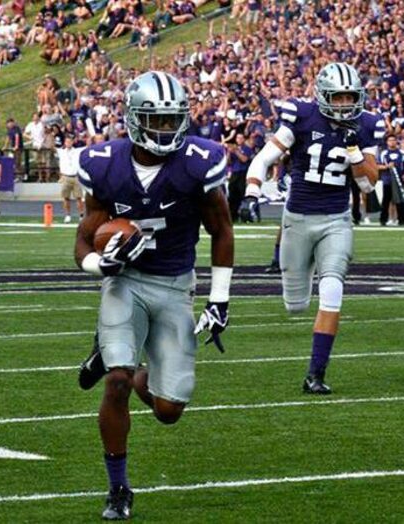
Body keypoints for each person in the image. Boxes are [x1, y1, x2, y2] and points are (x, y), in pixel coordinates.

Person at [74, 71, 233, 520]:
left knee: (168, 410)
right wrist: (100, 265)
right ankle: (118, 489)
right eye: (155, 120)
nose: (165, 129)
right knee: (117, 382)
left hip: (175, 285)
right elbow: (83, 242)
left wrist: (219, 300)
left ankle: (124, 361)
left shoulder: (197, 162)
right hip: (124, 282)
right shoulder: (106, 163)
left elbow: (222, 230)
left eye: (171, 120)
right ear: (134, 118)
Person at [240, 63, 385, 394]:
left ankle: (315, 373)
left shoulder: (368, 124)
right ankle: (311, 357)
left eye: (351, 97)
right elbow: (264, 159)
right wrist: (251, 193)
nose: (346, 104)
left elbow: (366, 186)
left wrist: (353, 150)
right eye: (339, 97)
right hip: (298, 219)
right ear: (322, 96)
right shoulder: (301, 115)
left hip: (336, 219)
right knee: (296, 305)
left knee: (332, 289)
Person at [56, 134, 85, 223]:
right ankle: (68, 215)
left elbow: (88, 146)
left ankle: (81, 215)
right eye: (67, 141)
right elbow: (51, 146)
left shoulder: (77, 151)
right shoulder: (61, 151)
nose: (68, 143)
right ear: (64, 142)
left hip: (76, 176)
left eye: (70, 141)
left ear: (72, 142)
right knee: (66, 197)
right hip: (65, 176)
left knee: (79, 197)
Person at [378, 134, 404, 226]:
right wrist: (386, 166)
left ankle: (401, 220)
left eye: (393, 140)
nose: (392, 142)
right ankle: (383, 220)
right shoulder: (383, 153)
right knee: (386, 200)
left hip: (399, 181)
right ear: (387, 142)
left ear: (396, 141)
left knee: (400, 200)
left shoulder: (401, 153)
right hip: (387, 180)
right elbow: (377, 166)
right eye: (390, 140)